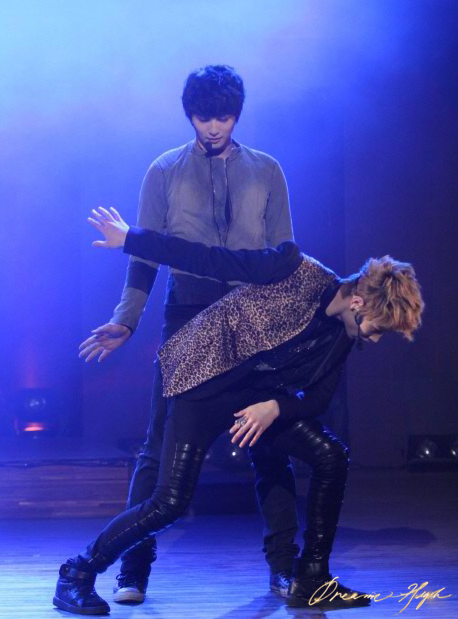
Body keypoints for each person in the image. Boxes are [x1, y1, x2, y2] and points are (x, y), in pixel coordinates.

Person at [53, 208, 424, 614]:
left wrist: (273, 407)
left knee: (330, 455)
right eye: (376, 329)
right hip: (201, 379)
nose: (374, 339)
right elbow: (211, 259)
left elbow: (317, 399)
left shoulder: (341, 334)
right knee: (171, 502)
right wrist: (132, 239)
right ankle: (77, 573)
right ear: (357, 301)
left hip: (254, 398)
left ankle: (312, 579)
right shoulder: (293, 268)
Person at [78, 65, 300, 604]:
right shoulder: (164, 171)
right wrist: (127, 318)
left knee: (269, 442)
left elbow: (283, 257)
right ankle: (133, 569)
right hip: (189, 313)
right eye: (204, 117)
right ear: (190, 116)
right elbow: (143, 254)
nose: (214, 127)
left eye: (223, 116)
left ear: (237, 114)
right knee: (159, 444)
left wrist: (283, 325)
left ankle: (283, 567)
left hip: (251, 315)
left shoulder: (266, 169)